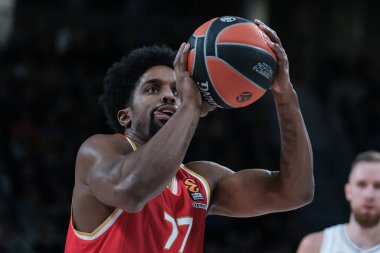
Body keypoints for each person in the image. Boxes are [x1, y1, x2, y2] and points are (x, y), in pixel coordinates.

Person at [64, 19, 314, 253]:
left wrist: (284, 95)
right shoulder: (97, 151)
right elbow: (132, 191)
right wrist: (189, 107)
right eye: (152, 89)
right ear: (124, 116)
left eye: (177, 89)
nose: (169, 96)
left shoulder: (201, 180)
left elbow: (294, 192)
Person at [297, 150, 380, 253]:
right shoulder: (314, 246)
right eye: (361, 184)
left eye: (378, 186)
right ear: (348, 191)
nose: (369, 195)